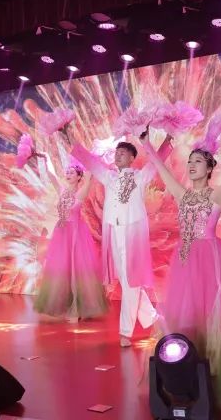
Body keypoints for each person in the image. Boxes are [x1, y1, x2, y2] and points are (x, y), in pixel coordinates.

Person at [141, 131, 221, 406]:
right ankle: (187, 378)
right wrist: (145, 143)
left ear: (209, 168)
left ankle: (219, 375)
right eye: (190, 161)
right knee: (188, 318)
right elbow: (161, 168)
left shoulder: (217, 195)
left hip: (212, 261)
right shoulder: (182, 195)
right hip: (185, 263)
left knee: (214, 318)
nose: (191, 165)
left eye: (198, 161)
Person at [73, 135, 172, 347]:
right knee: (128, 282)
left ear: (132, 158)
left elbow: (156, 162)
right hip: (113, 232)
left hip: (132, 234)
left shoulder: (140, 177)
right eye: (117, 153)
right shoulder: (109, 177)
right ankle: (155, 320)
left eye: (123, 153)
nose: (118, 156)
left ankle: (125, 332)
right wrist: (70, 137)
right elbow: (91, 162)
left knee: (130, 282)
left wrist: (168, 139)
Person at [31, 152, 107, 322]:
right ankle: (65, 305)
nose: (68, 174)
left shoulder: (81, 192)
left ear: (79, 176)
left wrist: (92, 160)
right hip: (61, 234)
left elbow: (90, 177)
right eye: (67, 172)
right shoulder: (62, 190)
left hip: (76, 234)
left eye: (72, 172)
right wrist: (46, 157)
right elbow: (51, 174)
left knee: (76, 270)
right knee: (61, 270)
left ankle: (77, 308)